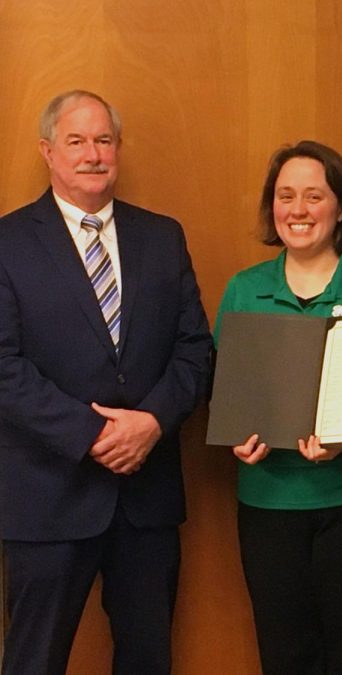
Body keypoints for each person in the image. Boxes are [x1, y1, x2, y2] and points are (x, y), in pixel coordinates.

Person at [0, 90, 211, 674]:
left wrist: (151, 423)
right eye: (76, 140)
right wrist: (93, 434)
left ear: (117, 149)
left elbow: (195, 349)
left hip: (146, 500)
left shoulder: (162, 237)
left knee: (148, 659)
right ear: (48, 151)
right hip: (48, 496)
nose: (92, 154)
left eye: (103, 140)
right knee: (33, 661)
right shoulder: (8, 243)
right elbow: (4, 366)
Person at [214, 141, 342, 675]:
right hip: (268, 506)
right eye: (285, 196)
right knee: (284, 657)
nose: (298, 210)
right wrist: (237, 436)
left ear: (340, 207)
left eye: (314, 196)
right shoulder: (244, 290)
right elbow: (222, 388)